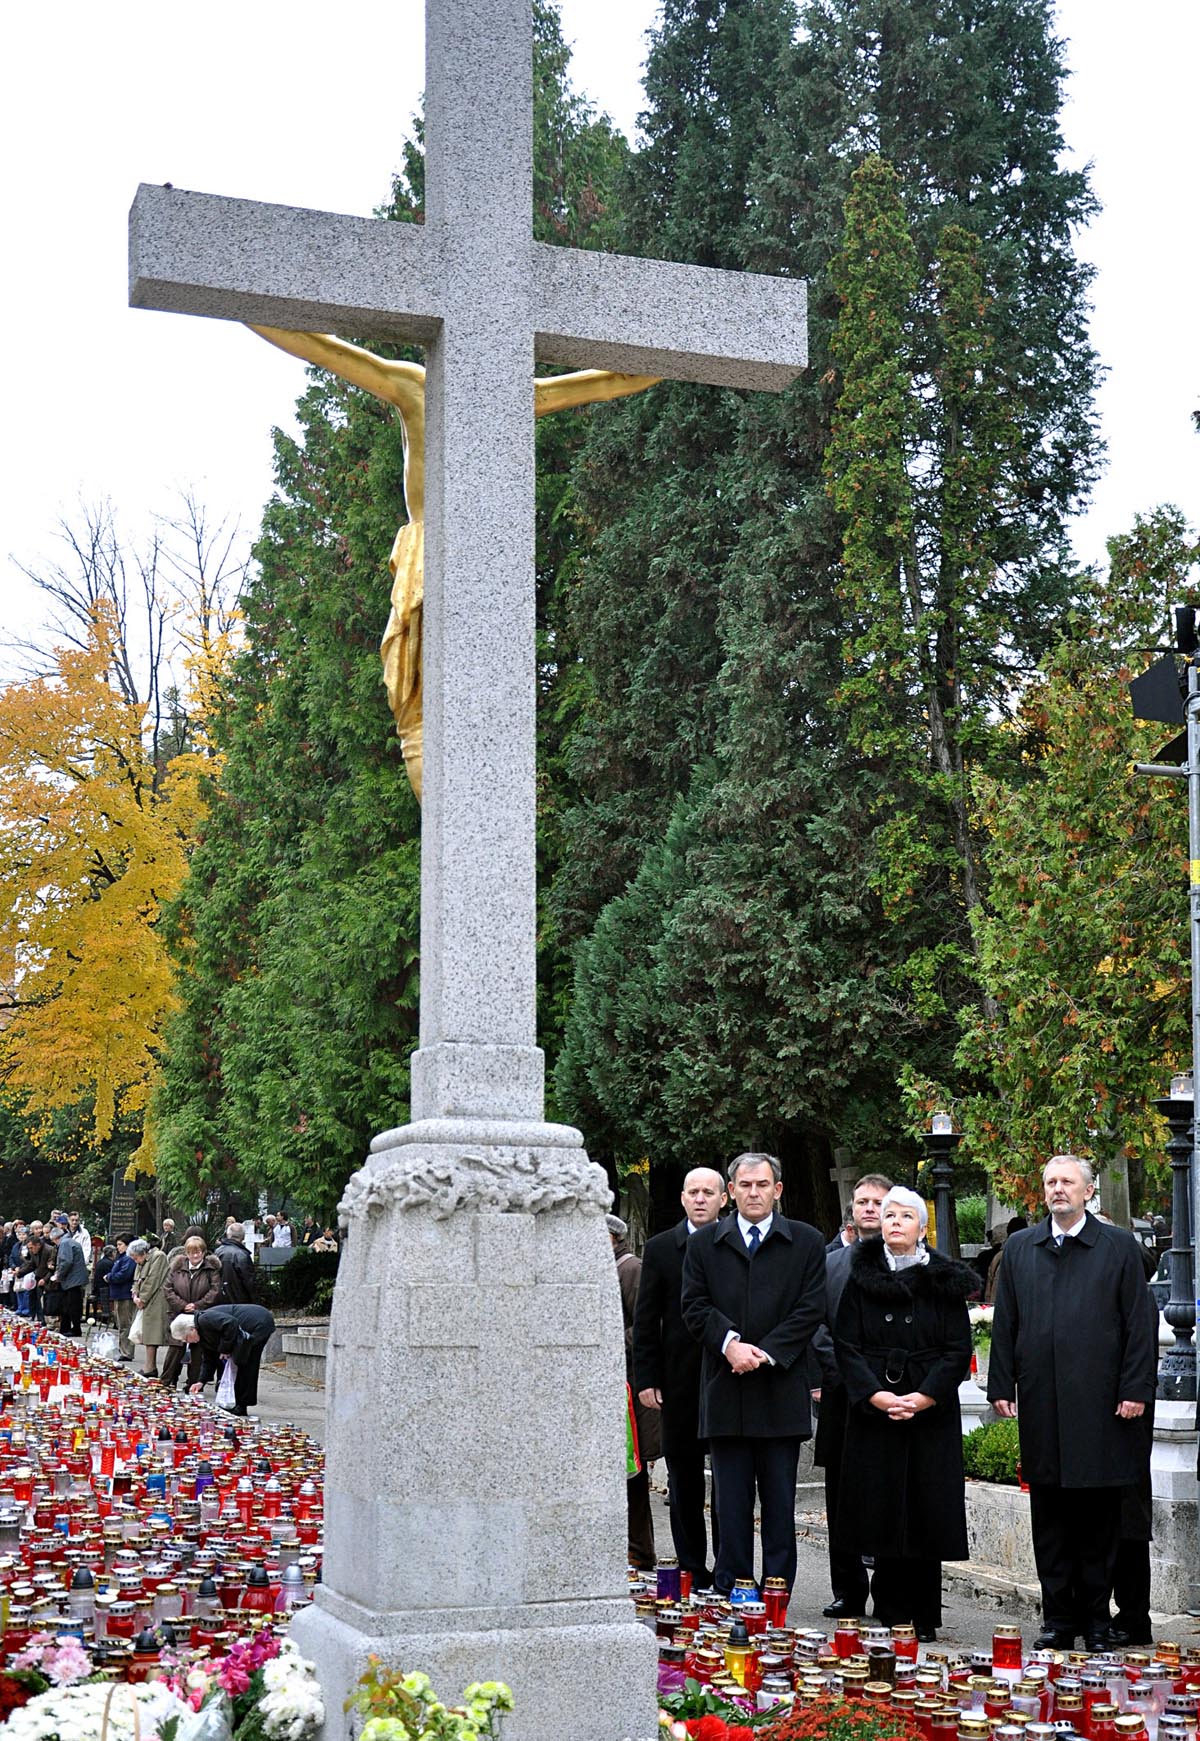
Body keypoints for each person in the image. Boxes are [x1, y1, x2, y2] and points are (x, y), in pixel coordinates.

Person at [248, 325, 660, 798]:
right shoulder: (417, 385)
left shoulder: (511, 394)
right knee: (418, 707)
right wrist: (241, 301)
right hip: (430, 558)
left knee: (478, 708)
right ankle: (452, 827)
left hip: (487, 563)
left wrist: (683, 352)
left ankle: (481, 816)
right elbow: (323, 348)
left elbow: (613, 381)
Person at [988, 1155, 1158, 1649]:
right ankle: (1059, 1621)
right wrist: (1002, 1385)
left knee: (1100, 1521)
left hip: (1102, 1407)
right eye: (1050, 1182)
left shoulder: (1118, 1247)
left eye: (1067, 1182)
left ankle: (1098, 1623)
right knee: (1051, 1518)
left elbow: (1137, 1326)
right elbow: (1007, 1322)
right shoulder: (1022, 1248)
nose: (1057, 1189)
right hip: (1043, 1404)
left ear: (1088, 1193)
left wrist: (1134, 1389)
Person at [831, 1186, 977, 1641]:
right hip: (877, 1407)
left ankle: (924, 1614)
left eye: (904, 1216)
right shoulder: (861, 1277)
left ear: (922, 1227)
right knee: (882, 1506)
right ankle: (889, 1609)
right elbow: (846, 1344)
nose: (893, 1222)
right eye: (888, 1214)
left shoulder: (942, 1280)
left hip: (928, 1411)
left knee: (924, 1508)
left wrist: (926, 1396)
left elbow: (957, 1349)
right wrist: (874, 1395)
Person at [681, 1151, 825, 1596]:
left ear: (777, 1190)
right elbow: (694, 1305)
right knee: (731, 1501)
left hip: (779, 1389)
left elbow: (811, 1307)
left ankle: (778, 1588)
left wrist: (766, 1352)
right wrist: (730, 1344)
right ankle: (734, 1585)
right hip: (727, 1390)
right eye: (744, 1186)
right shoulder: (705, 1244)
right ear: (732, 1193)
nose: (754, 1193)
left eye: (762, 1185)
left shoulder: (804, 1241)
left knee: (781, 1503)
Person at [633, 1166, 728, 1587]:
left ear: (724, 1199)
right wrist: (646, 1379)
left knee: (730, 1480)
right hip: (677, 1382)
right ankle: (692, 1565)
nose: (701, 1198)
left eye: (710, 1192)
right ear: (683, 1198)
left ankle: (730, 1566)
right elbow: (647, 1318)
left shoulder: (733, 1243)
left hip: (727, 1377)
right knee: (684, 1479)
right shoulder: (660, 1248)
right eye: (694, 1191)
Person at [810, 1171, 893, 1618]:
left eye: (877, 1202)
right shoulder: (830, 1264)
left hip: (889, 1396)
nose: (868, 1208)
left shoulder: (906, 1262)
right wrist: (850, 1375)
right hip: (845, 1396)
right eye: (861, 1201)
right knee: (840, 1496)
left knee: (884, 1494)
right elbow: (817, 1326)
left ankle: (888, 1591)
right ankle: (848, 1590)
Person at [608, 1213, 660, 1569]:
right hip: (608, 1386)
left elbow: (646, 1325)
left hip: (628, 1387)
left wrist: (602, 1339)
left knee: (632, 1473)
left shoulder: (630, 1269)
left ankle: (640, 1553)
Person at [179, 1302, 277, 1415]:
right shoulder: (202, 1336)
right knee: (239, 1361)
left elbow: (231, 1323)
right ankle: (238, 1403)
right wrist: (201, 1382)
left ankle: (241, 1405)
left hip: (258, 1323)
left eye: (186, 1338)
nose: (188, 1343)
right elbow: (209, 1359)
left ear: (192, 1329)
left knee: (245, 1361)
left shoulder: (204, 1319)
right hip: (248, 1325)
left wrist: (225, 1349)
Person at [160, 1232, 223, 1389]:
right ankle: (167, 1382)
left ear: (203, 1252)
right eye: (191, 1252)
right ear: (186, 1253)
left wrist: (197, 1306)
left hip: (200, 1316)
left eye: (198, 1251)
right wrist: (182, 1305)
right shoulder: (176, 1268)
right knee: (175, 1349)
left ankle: (193, 1384)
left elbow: (215, 1291)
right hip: (178, 1314)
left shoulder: (211, 1270)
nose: (195, 1255)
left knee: (198, 1352)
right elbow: (167, 1289)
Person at [128, 1237, 171, 1378]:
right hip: (144, 1301)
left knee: (152, 1335)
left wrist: (143, 1298)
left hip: (156, 1300)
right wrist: (134, 1294)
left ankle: (150, 1368)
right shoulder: (141, 1261)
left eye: (135, 1258)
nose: (135, 1261)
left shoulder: (158, 1257)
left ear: (143, 1253)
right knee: (147, 1335)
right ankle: (149, 1366)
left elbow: (153, 1280)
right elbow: (137, 1279)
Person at [48, 1223, 88, 1336]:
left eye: (53, 1241)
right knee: (69, 1305)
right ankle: (66, 1328)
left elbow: (66, 1262)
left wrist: (58, 1276)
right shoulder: (70, 1241)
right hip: (75, 1279)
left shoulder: (65, 1243)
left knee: (72, 1306)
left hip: (72, 1280)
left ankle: (75, 1329)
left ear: (56, 1238)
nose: (54, 1244)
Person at [108, 1238, 137, 1360]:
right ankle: (122, 1349)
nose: (118, 1247)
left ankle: (127, 1352)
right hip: (118, 1294)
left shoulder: (128, 1258)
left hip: (124, 1294)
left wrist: (109, 1277)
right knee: (121, 1323)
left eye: (120, 1244)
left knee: (125, 1324)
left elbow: (124, 1275)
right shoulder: (121, 1258)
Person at [215, 1222, 258, 1303]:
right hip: (240, 1300)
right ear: (243, 1236)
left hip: (220, 1298)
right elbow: (249, 1282)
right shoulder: (242, 1255)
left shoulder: (218, 1251)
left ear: (228, 1235)